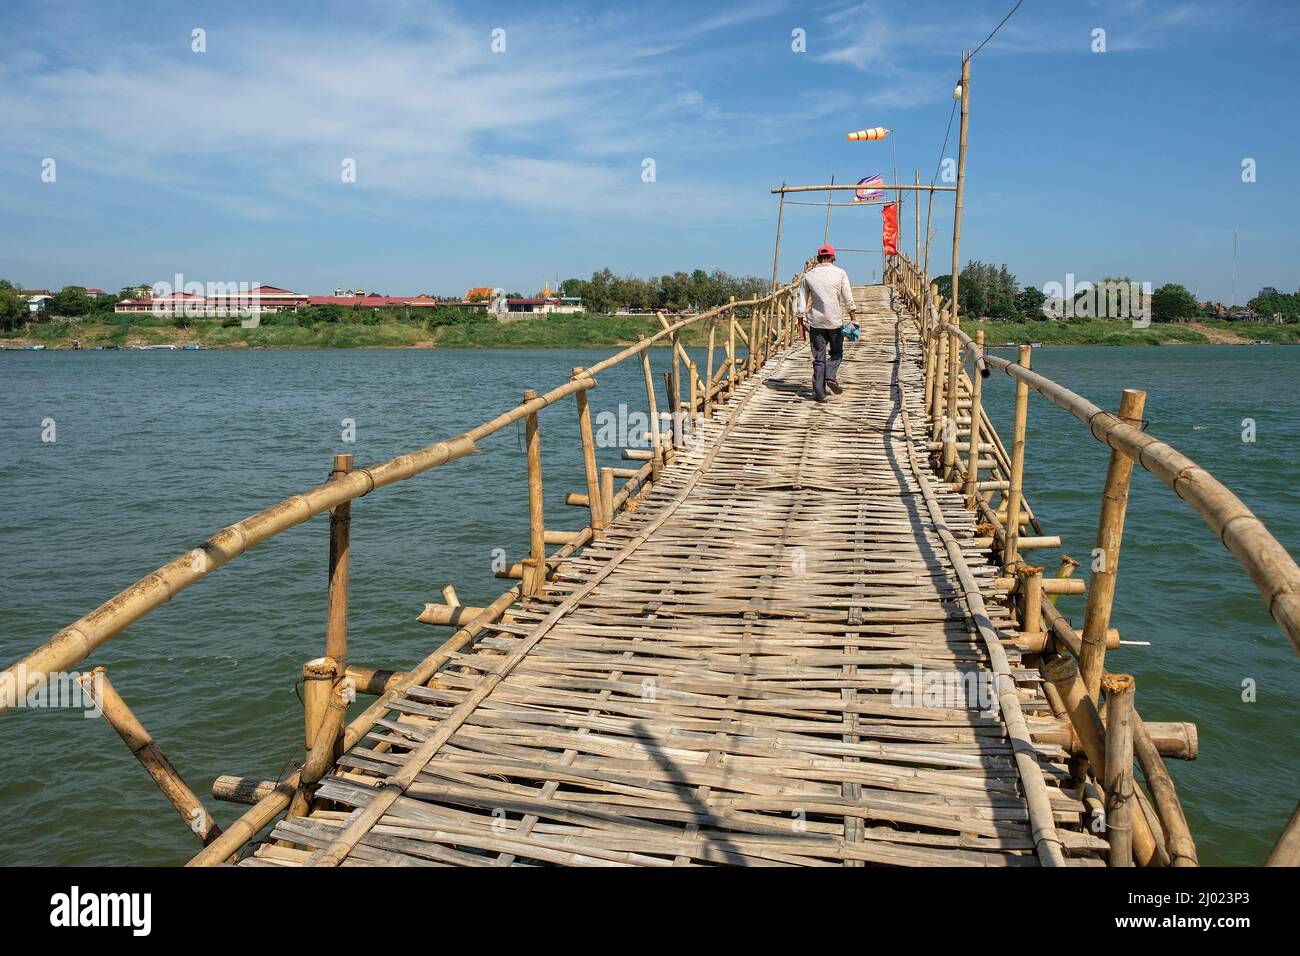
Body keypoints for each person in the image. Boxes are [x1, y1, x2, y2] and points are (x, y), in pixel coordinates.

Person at [796, 244, 857, 402]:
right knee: (837, 352)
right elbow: (848, 298)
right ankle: (830, 375)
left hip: (816, 323)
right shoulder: (840, 273)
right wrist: (853, 319)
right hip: (835, 322)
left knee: (818, 357)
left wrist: (800, 323)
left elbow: (801, 301)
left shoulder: (808, 276)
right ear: (833, 257)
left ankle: (819, 393)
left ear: (818, 259)